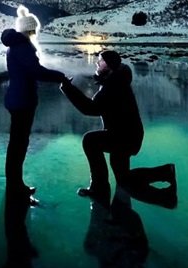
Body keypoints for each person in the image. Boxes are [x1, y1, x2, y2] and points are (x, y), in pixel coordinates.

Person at [60, 49, 145, 203]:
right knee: (123, 178)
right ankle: (165, 172)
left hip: (124, 137)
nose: (97, 64)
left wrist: (67, 87)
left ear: (109, 66)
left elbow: (90, 109)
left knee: (90, 141)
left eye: (101, 61)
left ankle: (99, 188)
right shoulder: (116, 81)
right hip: (127, 135)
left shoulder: (113, 85)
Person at [1, 5, 67, 197]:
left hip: (17, 97)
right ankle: (15, 186)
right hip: (22, 100)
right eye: (34, 28)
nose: (35, 31)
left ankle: (14, 184)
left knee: (17, 143)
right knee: (18, 144)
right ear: (29, 29)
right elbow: (36, 71)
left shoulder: (17, 46)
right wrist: (60, 76)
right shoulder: (23, 47)